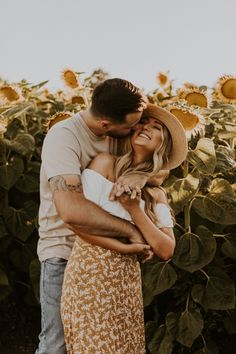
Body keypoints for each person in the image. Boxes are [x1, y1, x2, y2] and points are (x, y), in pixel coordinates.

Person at [60, 103, 188, 353]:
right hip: (89, 274)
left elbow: (166, 249)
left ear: (164, 143)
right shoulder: (105, 164)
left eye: (156, 127)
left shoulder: (156, 193)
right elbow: (76, 221)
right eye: (142, 123)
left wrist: (134, 210)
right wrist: (124, 246)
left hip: (125, 284)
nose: (145, 127)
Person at [36, 78, 149, 354]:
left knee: (104, 342)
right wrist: (130, 230)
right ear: (105, 125)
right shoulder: (64, 137)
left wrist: (136, 175)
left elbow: (159, 158)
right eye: (131, 125)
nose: (136, 129)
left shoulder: (120, 133)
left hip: (105, 257)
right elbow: (71, 210)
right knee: (57, 344)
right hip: (64, 251)